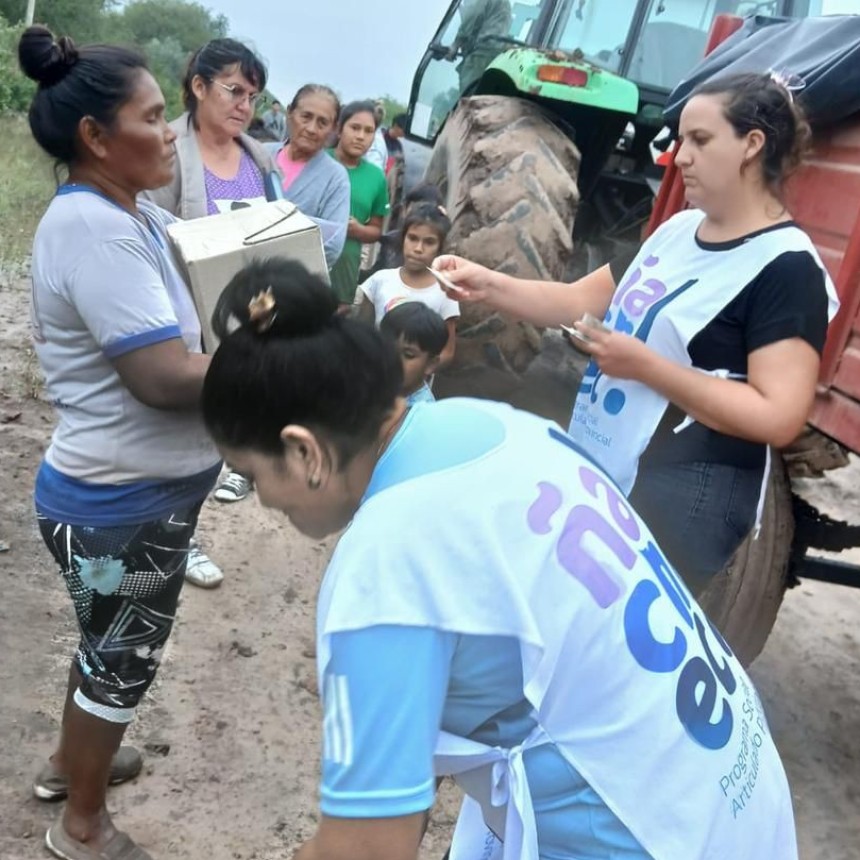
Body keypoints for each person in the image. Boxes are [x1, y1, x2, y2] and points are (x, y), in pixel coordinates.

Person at [200, 257, 799, 860]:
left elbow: (364, 852)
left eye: (252, 475)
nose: (265, 500)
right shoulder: (493, 425)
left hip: (650, 836)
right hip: (736, 791)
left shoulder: (384, 567)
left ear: (305, 453)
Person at [434, 72, 839, 597]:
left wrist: (644, 365)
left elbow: (777, 415)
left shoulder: (787, 268)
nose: (679, 156)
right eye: (679, 140)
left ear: (751, 145)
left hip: (687, 498)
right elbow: (580, 300)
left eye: (699, 140)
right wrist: (486, 283)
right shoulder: (674, 232)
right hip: (610, 463)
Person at [19, 25, 221, 860]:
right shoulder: (95, 231)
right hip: (119, 509)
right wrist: (265, 359)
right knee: (119, 662)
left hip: (126, 501)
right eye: (151, 116)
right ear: (97, 137)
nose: (170, 129)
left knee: (108, 648)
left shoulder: (117, 213)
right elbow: (165, 378)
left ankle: (74, 763)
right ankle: (83, 827)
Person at [143, 38, 275, 581]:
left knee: (212, 434)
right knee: (170, 432)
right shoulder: (169, 151)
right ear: (198, 87)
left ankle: (182, 536)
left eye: (253, 95)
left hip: (242, 320)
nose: (245, 104)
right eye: (234, 90)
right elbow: (149, 239)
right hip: (183, 321)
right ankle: (162, 539)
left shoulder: (257, 156)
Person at [357, 203, 459, 367]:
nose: (418, 249)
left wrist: (417, 371)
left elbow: (447, 352)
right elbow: (361, 333)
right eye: (412, 238)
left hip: (414, 388)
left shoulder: (445, 292)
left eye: (429, 242)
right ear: (403, 238)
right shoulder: (380, 281)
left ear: (440, 248)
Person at [275, 83, 350, 270]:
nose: (311, 128)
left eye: (322, 123)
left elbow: (332, 246)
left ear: (333, 128)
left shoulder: (336, 178)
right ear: (290, 113)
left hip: (295, 283)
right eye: (306, 117)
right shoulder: (260, 155)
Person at [328, 100, 389, 308]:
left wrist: (358, 230)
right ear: (339, 128)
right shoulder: (318, 161)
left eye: (369, 131)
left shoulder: (376, 178)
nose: (361, 136)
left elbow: (376, 231)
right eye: (355, 128)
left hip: (344, 273)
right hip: (303, 265)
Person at [379, 302, 448, 405]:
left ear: (430, 364)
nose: (393, 360)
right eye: (387, 349)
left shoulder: (422, 413)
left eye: (408, 355)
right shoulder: (370, 389)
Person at [451, 0, 513, 93]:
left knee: (469, 98)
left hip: (480, 55)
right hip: (495, 56)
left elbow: (473, 15)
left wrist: (456, 43)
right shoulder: (505, 4)